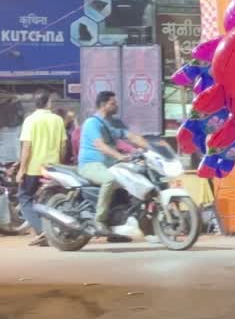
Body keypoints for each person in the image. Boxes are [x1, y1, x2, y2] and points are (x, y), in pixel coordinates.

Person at [78, 91, 148, 234]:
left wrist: (151, 149)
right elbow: (100, 145)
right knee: (109, 181)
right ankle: (99, 220)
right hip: (90, 165)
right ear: (103, 105)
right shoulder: (92, 123)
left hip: (110, 165)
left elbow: (132, 137)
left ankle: (120, 222)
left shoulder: (115, 123)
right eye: (113, 103)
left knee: (134, 179)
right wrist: (119, 156)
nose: (116, 106)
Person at [16, 89, 66, 246]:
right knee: (50, 201)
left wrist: (21, 170)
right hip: (52, 168)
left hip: (33, 168)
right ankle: (51, 231)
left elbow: (26, 147)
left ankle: (43, 230)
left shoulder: (30, 120)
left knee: (25, 198)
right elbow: (63, 144)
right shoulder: (57, 120)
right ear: (48, 102)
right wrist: (59, 163)